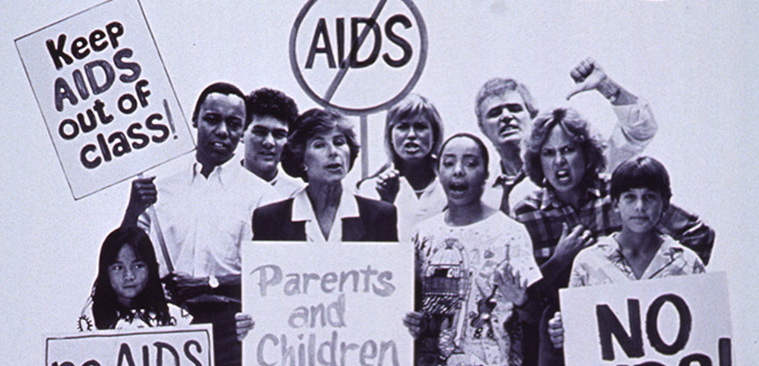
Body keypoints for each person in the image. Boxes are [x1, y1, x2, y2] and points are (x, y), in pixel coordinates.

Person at [512, 108, 714, 366]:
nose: (559, 161)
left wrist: (652, 282)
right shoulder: (526, 213)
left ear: (586, 154)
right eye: (548, 153)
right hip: (565, 339)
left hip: (648, 331)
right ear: (537, 161)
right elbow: (525, 300)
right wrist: (559, 261)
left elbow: (699, 236)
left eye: (568, 150)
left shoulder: (622, 193)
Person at [121, 82, 274, 366]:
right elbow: (123, 258)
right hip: (167, 323)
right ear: (195, 119)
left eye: (234, 123)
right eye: (212, 119)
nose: (222, 131)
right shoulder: (160, 191)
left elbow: (271, 278)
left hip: (231, 329)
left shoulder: (263, 196)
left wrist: (208, 283)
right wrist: (133, 209)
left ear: (243, 132)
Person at [403, 133, 541, 366]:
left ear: (486, 174)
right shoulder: (422, 234)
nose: (458, 170)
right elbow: (411, 309)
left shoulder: (511, 233)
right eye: (448, 163)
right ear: (438, 172)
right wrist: (414, 323)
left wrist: (522, 302)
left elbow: (535, 315)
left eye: (470, 163)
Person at [544, 156, 706, 353]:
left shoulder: (687, 263)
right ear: (615, 204)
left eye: (649, 197)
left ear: (664, 203)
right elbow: (579, 334)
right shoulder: (589, 263)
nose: (639, 206)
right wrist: (563, 330)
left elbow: (703, 333)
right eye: (630, 197)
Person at [475, 58, 658, 216]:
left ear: (532, 115)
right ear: (482, 127)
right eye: (494, 113)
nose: (506, 117)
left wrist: (605, 85)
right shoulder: (480, 195)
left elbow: (641, 129)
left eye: (515, 108)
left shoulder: (584, 165)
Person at [253, 108, 397, 242]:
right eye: (319, 145)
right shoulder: (269, 219)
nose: (333, 152)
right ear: (301, 158)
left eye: (339, 142)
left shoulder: (381, 216)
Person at [356, 94, 447, 241]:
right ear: (390, 135)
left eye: (420, 127)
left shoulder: (452, 185)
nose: (411, 135)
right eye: (403, 127)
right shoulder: (369, 189)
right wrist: (385, 203)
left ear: (435, 134)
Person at [78, 227, 192, 331]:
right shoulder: (91, 319)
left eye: (138, 266)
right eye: (118, 268)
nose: (129, 276)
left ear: (151, 268)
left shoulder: (175, 317)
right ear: (105, 272)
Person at [242, 88, 303, 200]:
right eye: (260, 132)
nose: (269, 142)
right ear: (241, 133)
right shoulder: (219, 185)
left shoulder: (297, 195)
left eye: (279, 134)